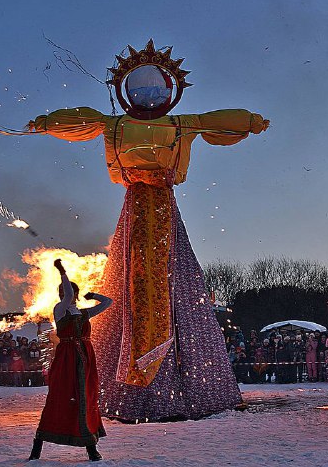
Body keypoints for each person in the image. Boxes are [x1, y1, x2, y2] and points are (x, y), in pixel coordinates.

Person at [29, 41, 267, 421]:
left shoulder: (166, 125)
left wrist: (251, 122)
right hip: (142, 209)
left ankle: (153, 383)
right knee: (139, 280)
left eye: (154, 88)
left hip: (157, 211)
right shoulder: (136, 125)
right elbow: (81, 121)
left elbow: (219, 121)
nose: (148, 95)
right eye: (143, 88)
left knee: (159, 281)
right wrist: (45, 123)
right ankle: (144, 383)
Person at [29, 259, 113, 462]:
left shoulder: (84, 313)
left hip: (86, 358)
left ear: (76, 294)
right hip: (67, 358)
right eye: (62, 292)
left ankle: (91, 447)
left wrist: (93, 295)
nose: (65, 294)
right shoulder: (60, 309)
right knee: (63, 398)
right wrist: (62, 272)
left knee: (86, 397)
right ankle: (38, 445)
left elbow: (108, 302)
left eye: (68, 291)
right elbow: (67, 294)